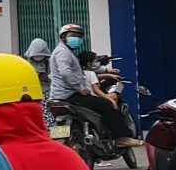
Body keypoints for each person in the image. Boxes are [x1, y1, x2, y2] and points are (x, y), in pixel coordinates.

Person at [47, 24, 132, 155]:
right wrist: (80, 88)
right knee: (107, 104)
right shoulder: (62, 53)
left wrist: (106, 70)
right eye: (73, 36)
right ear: (64, 37)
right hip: (70, 95)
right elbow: (66, 73)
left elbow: (82, 69)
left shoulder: (67, 53)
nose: (77, 39)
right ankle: (121, 138)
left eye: (79, 36)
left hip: (60, 96)